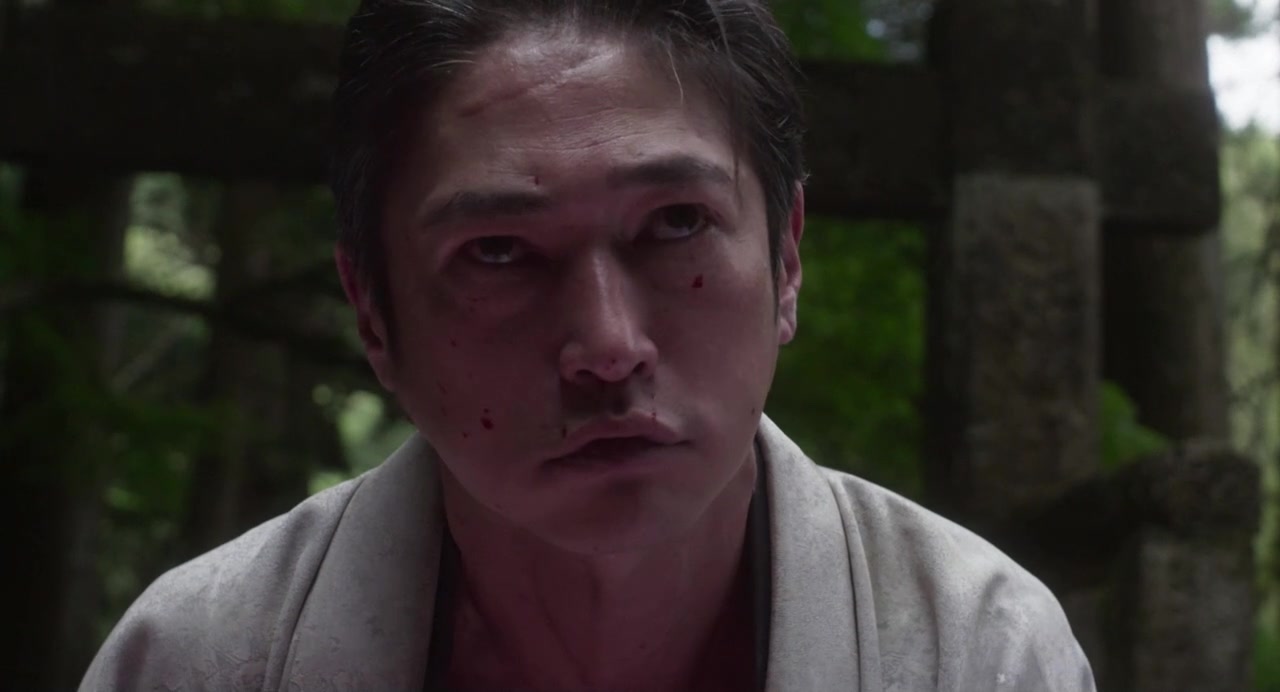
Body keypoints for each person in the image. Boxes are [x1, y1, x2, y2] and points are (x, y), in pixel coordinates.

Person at [80, 1, 1097, 690]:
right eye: (496, 251)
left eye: (677, 224)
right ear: (373, 311)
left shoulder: (974, 651)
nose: (608, 347)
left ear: (786, 257)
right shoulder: (201, 657)